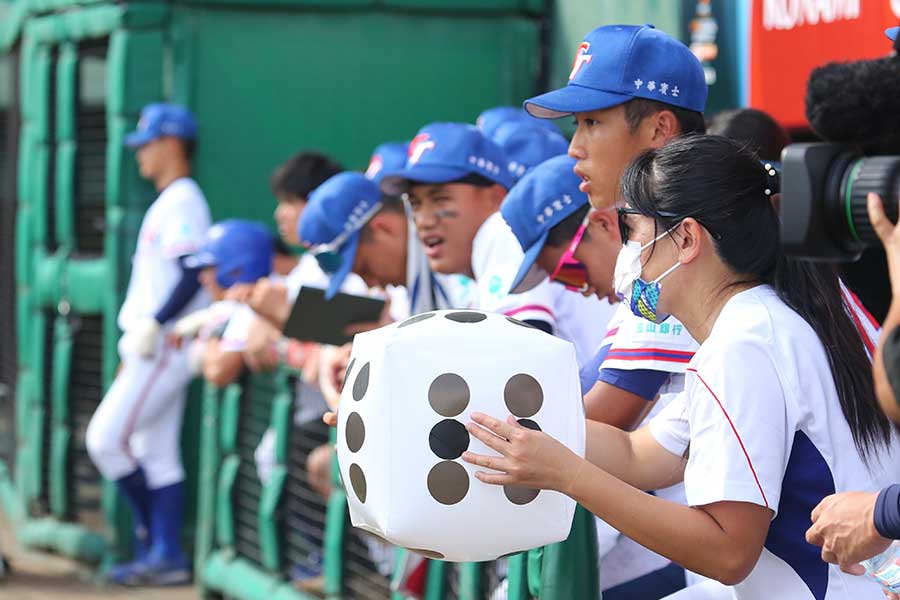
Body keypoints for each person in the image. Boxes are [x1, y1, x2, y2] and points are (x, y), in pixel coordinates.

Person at [463, 134, 898, 598]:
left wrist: (568, 475)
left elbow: (727, 552)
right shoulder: (767, 318)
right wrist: (516, 426)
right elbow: (638, 453)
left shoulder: (740, 348)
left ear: (687, 238)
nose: (627, 254)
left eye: (632, 231)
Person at [85, 103, 210, 585]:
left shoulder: (182, 199)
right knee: (156, 454)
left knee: (105, 441)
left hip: (163, 346)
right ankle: (165, 553)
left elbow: (192, 270)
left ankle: (155, 542)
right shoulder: (171, 199)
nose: (140, 154)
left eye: (147, 144)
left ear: (172, 143)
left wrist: (155, 324)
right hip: (151, 346)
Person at [380, 121, 608, 365]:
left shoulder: (501, 229)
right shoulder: (471, 270)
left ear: (496, 198)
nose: (423, 221)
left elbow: (519, 362)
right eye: (415, 204)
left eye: (440, 199)